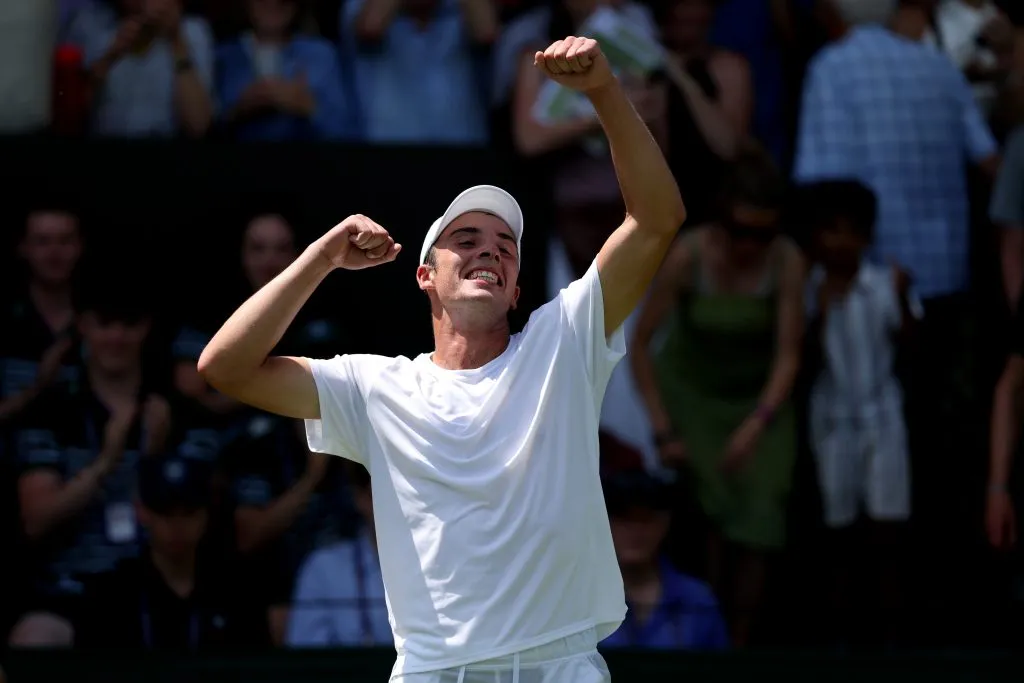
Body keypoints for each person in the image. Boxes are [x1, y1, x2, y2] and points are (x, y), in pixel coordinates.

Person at [198, 35, 685, 683]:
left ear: (516, 288)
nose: (489, 250)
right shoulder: (377, 385)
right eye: (466, 239)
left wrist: (602, 92)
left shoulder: (561, 339)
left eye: (504, 245)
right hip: (433, 672)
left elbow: (657, 219)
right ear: (425, 275)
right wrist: (321, 257)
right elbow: (224, 367)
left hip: (559, 667)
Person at [629, 149, 803, 647]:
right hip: (693, 397)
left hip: (758, 400)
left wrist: (756, 425)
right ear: (722, 220)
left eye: (763, 233)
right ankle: (703, 637)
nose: (751, 245)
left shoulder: (786, 260)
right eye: (742, 230)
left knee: (762, 509)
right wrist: (663, 428)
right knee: (705, 514)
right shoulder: (689, 254)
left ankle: (740, 645)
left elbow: (789, 355)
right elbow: (641, 344)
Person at [801, 179, 920, 645]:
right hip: (831, 421)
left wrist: (906, 298)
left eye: (850, 232)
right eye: (831, 231)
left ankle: (888, 639)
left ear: (866, 238)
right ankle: (842, 638)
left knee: (886, 530)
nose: (840, 243)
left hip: (883, 417)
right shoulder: (809, 287)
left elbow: (913, 349)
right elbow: (805, 361)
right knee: (838, 532)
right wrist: (822, 313)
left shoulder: (884, 283)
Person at [75, 455, 270, 650]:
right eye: (165, 513)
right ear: (142, 512)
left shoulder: (236, 592)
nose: (177, 527)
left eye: (188, 513)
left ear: (205, 514)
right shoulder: (111, 595)